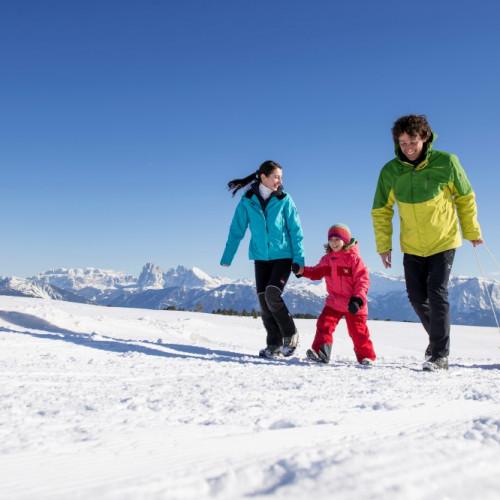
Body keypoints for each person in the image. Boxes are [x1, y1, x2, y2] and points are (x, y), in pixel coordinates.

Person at [371, 114, 483, 371]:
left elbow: (465, 198)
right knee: (415, 296)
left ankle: (440, 355)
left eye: (413, 142)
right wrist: (383, 245)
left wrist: (472, 231)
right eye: (403, 143)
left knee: (436, 292)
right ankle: (436, 342)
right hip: (411, 244)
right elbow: (381, 211)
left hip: (443, 240)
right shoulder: (390, 171)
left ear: (425, 138)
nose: (408, 149)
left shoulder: (447, 163)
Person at [220, 160, 305, 358]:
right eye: (276, 176)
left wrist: (299, 258)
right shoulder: (248, 199)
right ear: (263, 177)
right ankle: (273, 344)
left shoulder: (285, 198)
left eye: (281, 177)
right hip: (260, 257)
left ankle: (290, 334)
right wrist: (228, 256)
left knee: (272, 295)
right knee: (264, 301)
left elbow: (295, 229)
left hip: (284, 255)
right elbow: (237, 229)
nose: (279, 181)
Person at [292, 223, 376, 365]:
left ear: (346, 240)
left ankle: (366, 357)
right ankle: (321, 353)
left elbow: (362, 281)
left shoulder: (354, 259)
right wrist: (301, 270)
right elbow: (316, 272)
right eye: (331, 240)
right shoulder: (327, 260)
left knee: (358, 332)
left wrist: (358, 300)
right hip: (334, 302)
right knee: (324, 324)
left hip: (354, 303)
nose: (334, 243)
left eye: (337, 239)